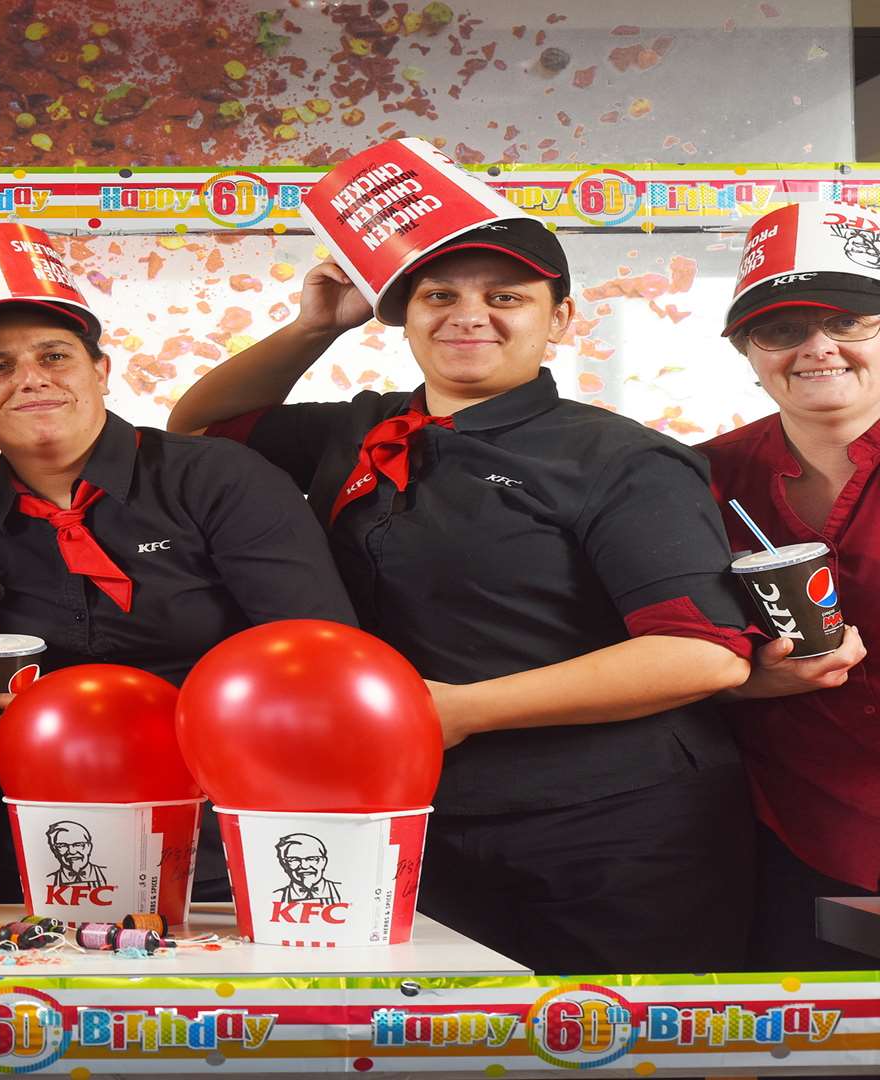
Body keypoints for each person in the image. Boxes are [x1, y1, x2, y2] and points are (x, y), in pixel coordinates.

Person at [166, 176, 757, 973]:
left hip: (615, 827)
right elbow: (199, 431)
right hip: (425, 816)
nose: (468, 314)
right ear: (403, 317)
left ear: (561, 320)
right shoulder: (363, 425)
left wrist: (460, 710)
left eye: (508, 296)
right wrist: (315, 327)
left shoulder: (621, 460)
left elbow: (703, 651)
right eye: (437, 294)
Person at [0, 223, 358, 901]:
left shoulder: (219, 479)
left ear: (100, 370)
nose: (31, 380)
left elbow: (318, 663)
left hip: (236, 828)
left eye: (55, 356)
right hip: (49, 835)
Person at [700, 202, 876, 972]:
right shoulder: (690, 477)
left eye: (850, 319)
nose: (818, 348)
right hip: (783, 836)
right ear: (747, 351)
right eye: (781, 330)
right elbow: (644, 652)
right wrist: (744, 683)